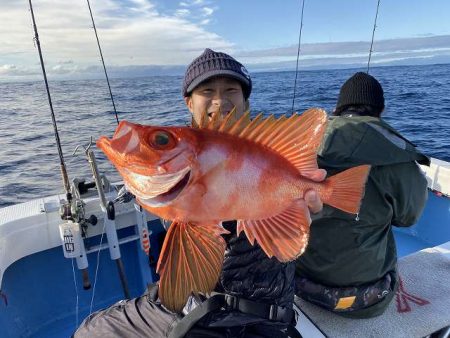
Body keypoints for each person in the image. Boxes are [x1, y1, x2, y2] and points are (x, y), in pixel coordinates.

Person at [74, 49, 323, 338]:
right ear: (189, 102)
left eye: (231, 89)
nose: (220, 100)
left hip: (242, 316)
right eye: (208, 90)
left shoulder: (274, 156)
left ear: (246, 101)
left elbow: (308, 207)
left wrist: (313, 206)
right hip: (202, 306)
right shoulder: (186, 152)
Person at [294, 72, 430, 319]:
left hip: (301, 284)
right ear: (382, 110)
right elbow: (408, 218)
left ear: (337, 109)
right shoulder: (400, 159)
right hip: (368, 298)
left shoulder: (300, 147)